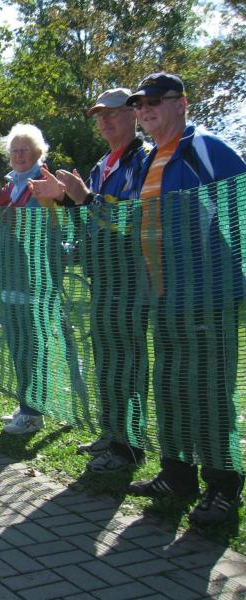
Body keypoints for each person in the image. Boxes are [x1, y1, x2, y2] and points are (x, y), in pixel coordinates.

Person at [108, 72, 246, 526]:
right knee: (170, 388)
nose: (144, 111)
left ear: (182, 103)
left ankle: (223, 486)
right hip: (163, 298)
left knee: (209, 392)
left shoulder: (205, 147)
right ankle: (177, 476)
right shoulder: (150, 160)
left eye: (154, 102)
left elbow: (240, 209)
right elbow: (129, 221)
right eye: (139, 104)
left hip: (207, 298)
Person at [29, 88, 152, 473]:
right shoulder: (103, 164)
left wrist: (82, 199)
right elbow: (91, 219)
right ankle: (112, 433)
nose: (104, 121)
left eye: (112, 112)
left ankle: (130, 447)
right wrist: (65, 200)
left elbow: (134, 218)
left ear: (133, 114)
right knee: (106, 360)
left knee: (128, 362)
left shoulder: (145, 159)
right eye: (99, 115)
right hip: (102, 276)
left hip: (130, 276)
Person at [0, 123, 71, 435]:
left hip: (32, 279)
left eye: (25, 150)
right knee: (17, 343)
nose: (19, 155)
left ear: (38, 153)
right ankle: (27, 404)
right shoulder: (12, 185)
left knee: (29, 345)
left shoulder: (42, 183)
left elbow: (28, 227)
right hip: (10, 275)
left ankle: (33, 413)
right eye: (15, 150)